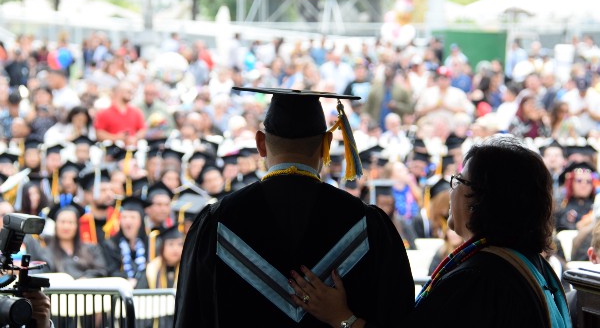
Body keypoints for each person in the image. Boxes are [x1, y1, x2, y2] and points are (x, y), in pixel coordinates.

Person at [174, 87, 414, 328]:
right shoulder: (366, 223)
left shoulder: (217, 222)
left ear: (260, 144)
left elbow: (191, 317)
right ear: (326, 144)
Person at [289, 136, 571, 328]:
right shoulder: (530, 264)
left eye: (459, 180)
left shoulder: (480, 279)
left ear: (481, 200)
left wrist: (342, 318)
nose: (451, 190)